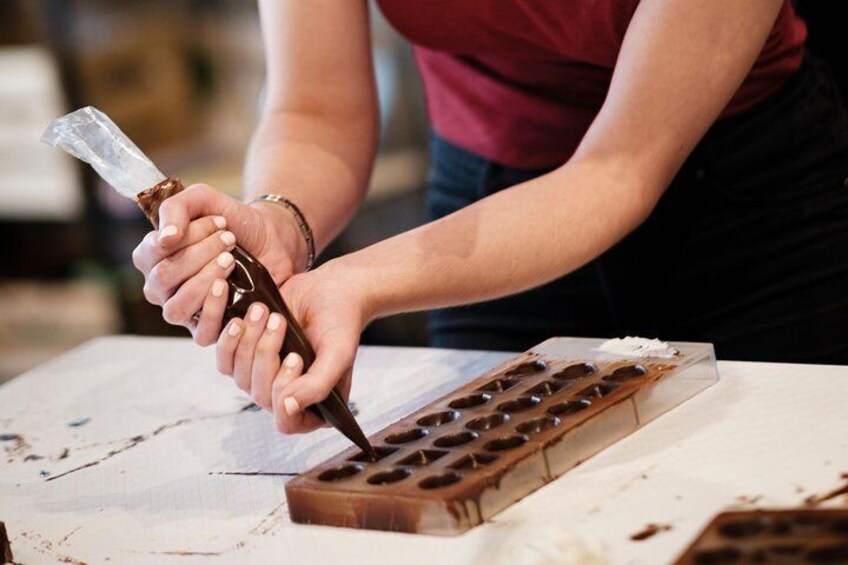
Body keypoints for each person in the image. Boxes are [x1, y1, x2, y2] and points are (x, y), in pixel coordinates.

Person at [132, 0, 848, 435]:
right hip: (485, 213)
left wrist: (358, 282)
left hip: (749, 202)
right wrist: (280, 221)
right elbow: (317, 107)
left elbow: (619, 169)